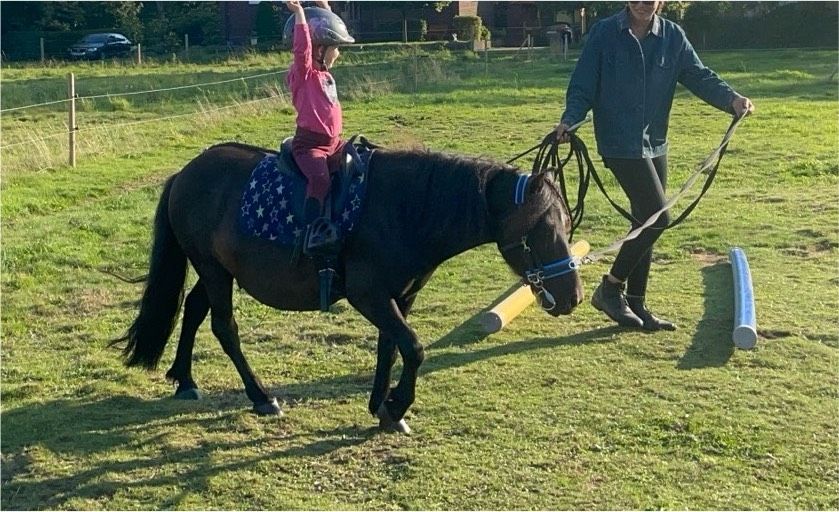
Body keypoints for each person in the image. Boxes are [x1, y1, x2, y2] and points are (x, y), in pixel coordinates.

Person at [555, 1, 754, 331]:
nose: (644, 2)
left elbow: (698, 75)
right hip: (619, 142)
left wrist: (731, 99)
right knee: (658, 217)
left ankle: (637, 305)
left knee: (643, 222)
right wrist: (569, 121)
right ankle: (610, 288)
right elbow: (582, 85)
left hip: (654, 143)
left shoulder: (673, 37)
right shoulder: (604, 34)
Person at [284, 0, 354, 251]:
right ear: (319, 49)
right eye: (335, 48)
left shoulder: (325, 74)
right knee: (320, 180)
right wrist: (301, 14)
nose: (339, 53)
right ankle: (311, 233)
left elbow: (327, 29)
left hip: (334, 143)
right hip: (310, 146)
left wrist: (324, 8)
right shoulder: (304, 74)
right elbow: (302, 49)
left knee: (362, 161)